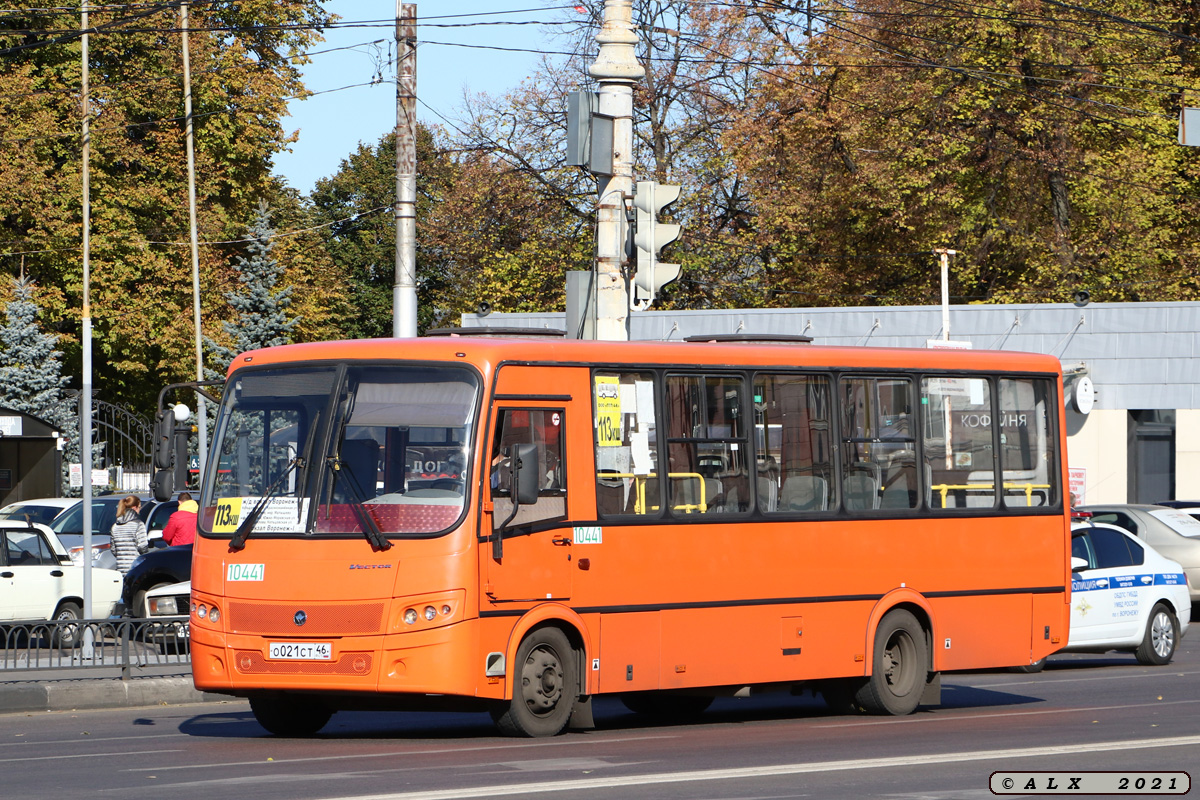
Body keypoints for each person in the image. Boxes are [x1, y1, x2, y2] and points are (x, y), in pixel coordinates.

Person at [110, 495, 150, 574]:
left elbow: (113, 549)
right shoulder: (138, 524)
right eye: (139, 507)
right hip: (135, 567)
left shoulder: (115, 526)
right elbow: (143, 547)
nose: (140, 509)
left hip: (120, 568)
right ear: (134, 508)